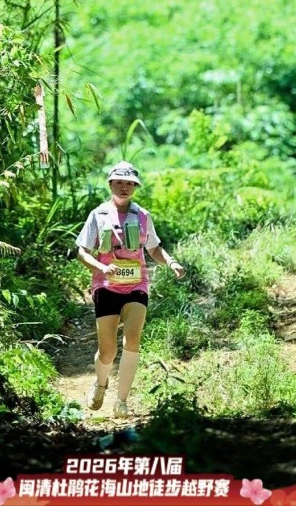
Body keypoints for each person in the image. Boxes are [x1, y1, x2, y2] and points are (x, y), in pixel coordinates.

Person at [75, 161, 185, 418]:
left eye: (129, 183)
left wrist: (171, 262)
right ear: (110, 184)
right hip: (106, 286)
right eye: (119, 182)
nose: (124, 187)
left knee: (132, 339)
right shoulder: (98, 215)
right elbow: (82, 252)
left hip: (137, 284)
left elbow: (153, 248)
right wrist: (102, 268)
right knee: (107, 351)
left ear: (135, 186)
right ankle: (100, 384)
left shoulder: (142, 216)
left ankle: (121, 401)